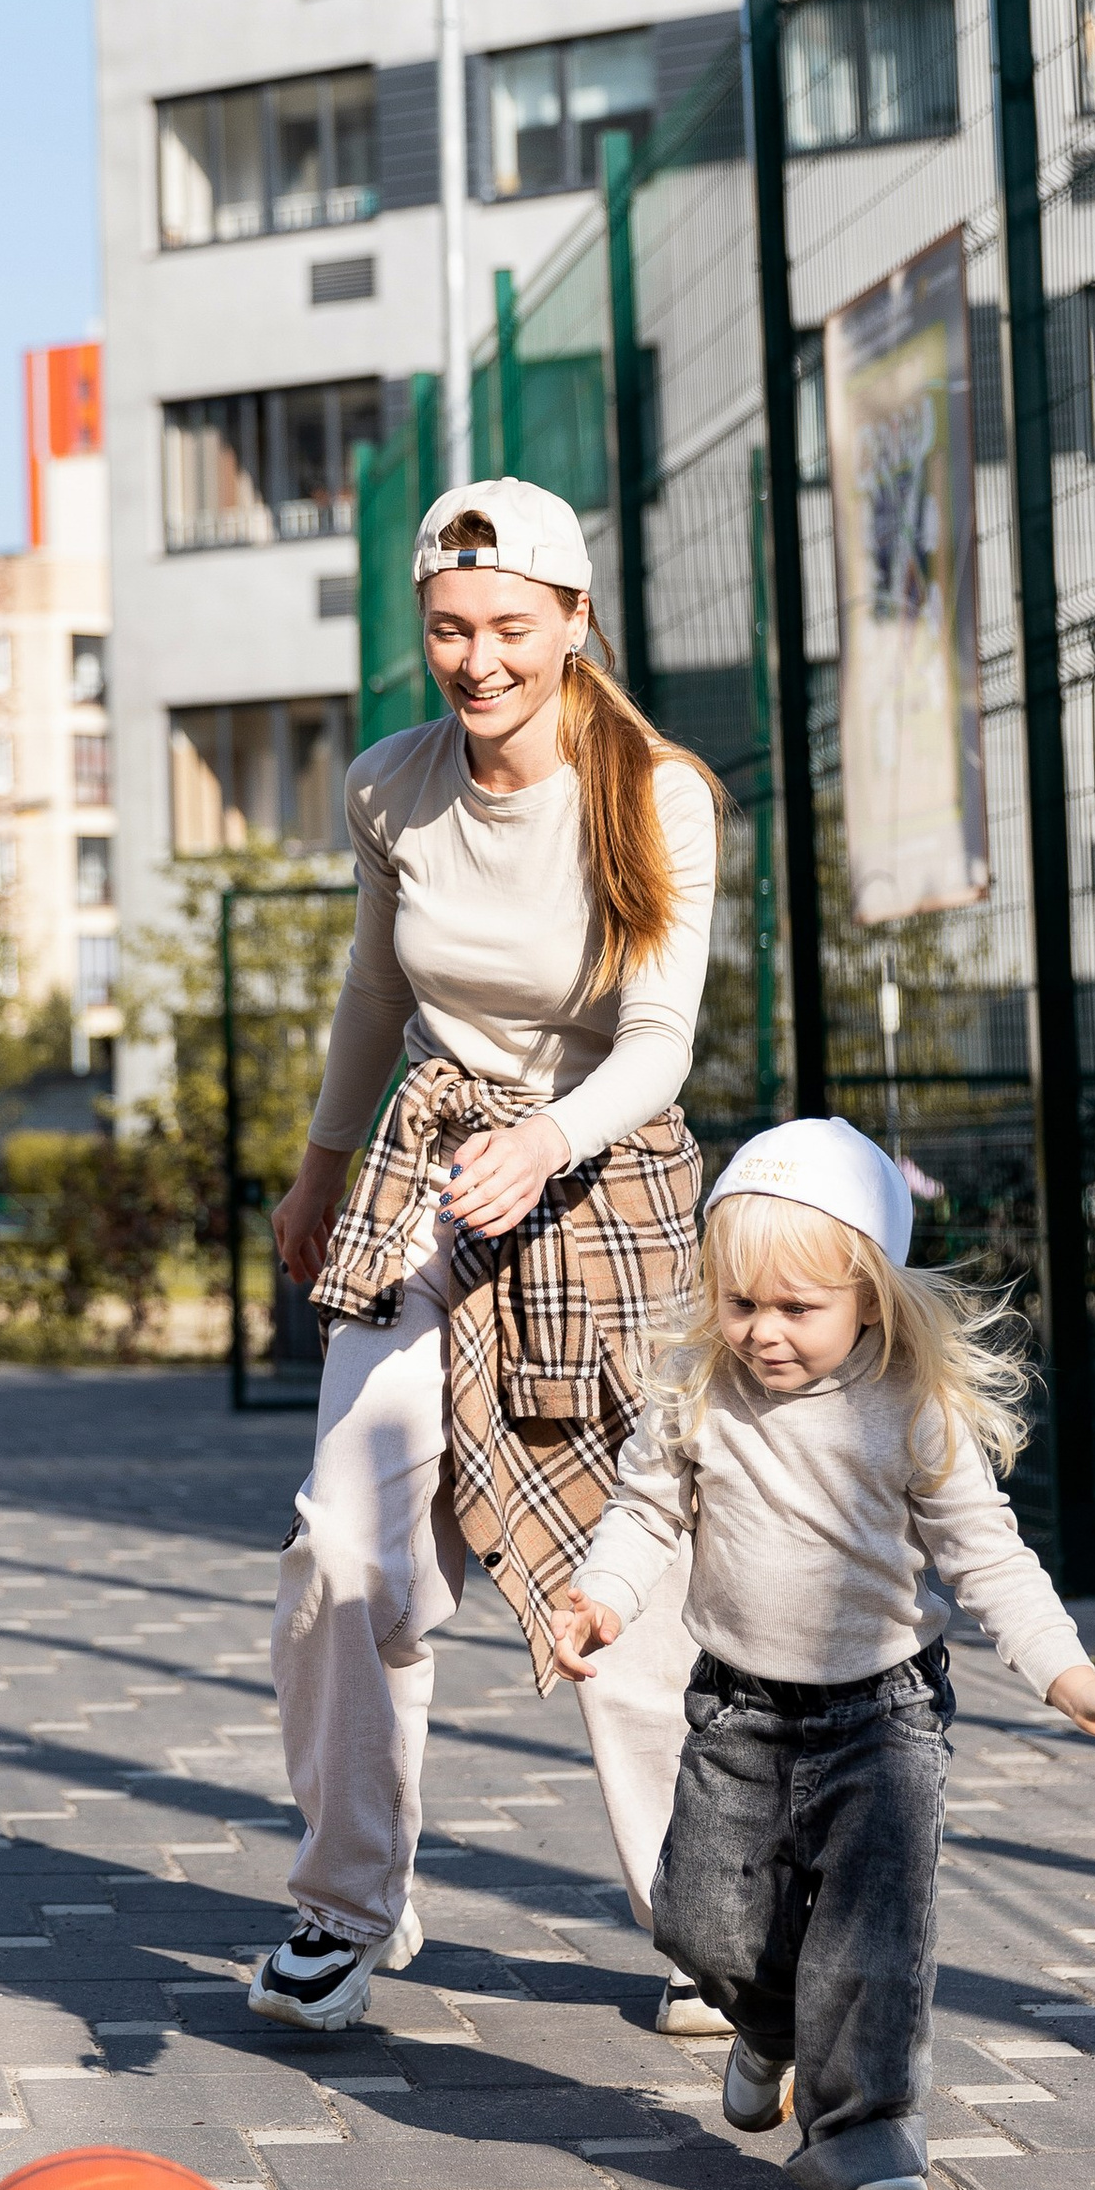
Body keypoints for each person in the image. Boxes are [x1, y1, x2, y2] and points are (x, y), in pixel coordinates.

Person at [252, 477, 724, 2038]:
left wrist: (553, 1138)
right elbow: (374, 998)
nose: (479, 658)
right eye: (450, 629)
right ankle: (346, 1902)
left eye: (510, 626)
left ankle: (702, 1925)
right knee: (344, 1546)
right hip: (432, 1179)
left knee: (630, 1577)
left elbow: (660, 1039)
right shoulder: (391, 787)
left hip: (602, 1186)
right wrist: (319, 1171)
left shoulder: (652, 793)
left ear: (575, 623)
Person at [550, 1117, 1095, 2190]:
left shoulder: (909, 1408)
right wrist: (600, 1593)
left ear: (870, 1295)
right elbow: (644, 1510)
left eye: (797, 1309)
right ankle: (767, 2025)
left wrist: (1071, 1678)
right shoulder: (697, 1392)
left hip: (882, 1714)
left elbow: (988, 1558)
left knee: (873, 1937)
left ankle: (866, 2139)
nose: (762, 1332)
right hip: (738, 1708)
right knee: (698, 1923)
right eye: (740, 1303)